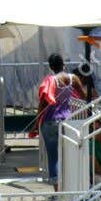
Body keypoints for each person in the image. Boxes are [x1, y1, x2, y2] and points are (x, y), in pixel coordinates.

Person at [35, 56, 77, 184]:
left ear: (51, 67)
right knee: (69, 156)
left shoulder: (49, 81)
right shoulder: (73, 79)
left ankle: (57, 191)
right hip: (67, 121)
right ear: (63, 64)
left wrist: (37, 122)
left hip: (50, 121)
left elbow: (43, 103)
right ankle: (69, 186)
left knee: (53, 157)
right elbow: (85, 96)